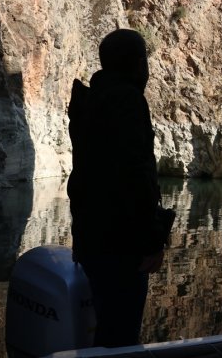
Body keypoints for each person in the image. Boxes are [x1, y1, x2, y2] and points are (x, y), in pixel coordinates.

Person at [67, 29, 167, 347]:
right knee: (121, 336)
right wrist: (152, 242)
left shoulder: (89, 99)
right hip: (121, 245)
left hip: (90, 237)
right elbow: (136, 175)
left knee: (103, 329)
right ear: (138, 64)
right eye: (145, 61)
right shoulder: (127, 100)